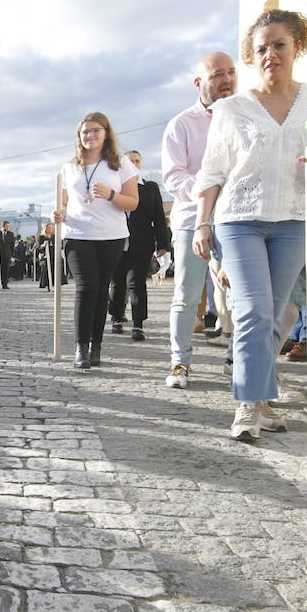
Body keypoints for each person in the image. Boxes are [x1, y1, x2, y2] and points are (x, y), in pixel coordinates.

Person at [194, 8, 307, 441]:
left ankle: (260, 399)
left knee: (278, 313)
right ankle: (247, 405)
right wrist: (202, 223)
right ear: (252, 56)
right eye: (261, 48)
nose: (270, 55)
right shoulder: (231, 108)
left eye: (279, 44)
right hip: (240, 219)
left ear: (296, 46)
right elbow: (212, 171)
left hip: (294, 220)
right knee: (254, 310)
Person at [162, 52, 238, 389]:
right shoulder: (181, 124)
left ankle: (237, 361)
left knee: (240, 295)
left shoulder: (244, 117)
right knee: (187, 294)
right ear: (199, 82)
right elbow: (174, 177)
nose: (227, 80)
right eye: (218, 74)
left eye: (232, 73)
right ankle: (180, 363)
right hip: (192, 220)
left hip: (238, 219)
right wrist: (210, 193)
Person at [52, 112, 141, 369]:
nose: (90, 136)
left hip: (110, 234)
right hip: (77, 234)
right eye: (85, 132)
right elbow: (64, 202)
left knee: (102, 289)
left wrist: (111, 194)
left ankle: (96, 345)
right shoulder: (69, 167)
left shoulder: (121, 164)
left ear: (106, 133)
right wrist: (58, 212)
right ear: (78, 137)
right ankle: (81, 347)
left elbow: (133, 202)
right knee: (85, 287)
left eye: (95, 131)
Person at [109, 150, 170, 341]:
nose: (134, 163)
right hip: (116, 241)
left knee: (136, 283)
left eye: (137, 160)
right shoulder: (115, 186)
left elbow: (159, 217)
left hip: (141, 242)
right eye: (130, 161)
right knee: (117, 282)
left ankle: (138, 323)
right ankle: (117, 317)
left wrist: (163, 244)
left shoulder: (150, 188)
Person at [0, 220, 16, 289]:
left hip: (7, 255)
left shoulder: (11, 234)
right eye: (6, 226)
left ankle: (5, 284)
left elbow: (12, 246)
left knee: (6, 270)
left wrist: (11, 255)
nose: (7, 227)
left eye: (8, 226)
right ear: (3, 226)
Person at [36, 222, 58, 289]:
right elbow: (39, 247)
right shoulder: (42, 237)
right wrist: (44, 245)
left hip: (54, 254)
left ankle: (55, 284)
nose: (50, 229)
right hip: (46, 255)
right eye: (49, 228)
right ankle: (48, 285)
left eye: (51, 228)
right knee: (47, 270)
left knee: (55, 269)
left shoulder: (54, 236)